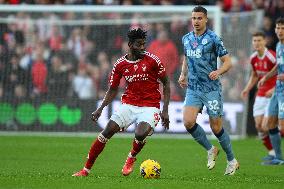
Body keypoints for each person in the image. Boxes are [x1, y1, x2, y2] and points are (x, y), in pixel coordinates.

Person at [72, 28, 170, 177]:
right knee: (106, 132)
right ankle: (85, 170)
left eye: (144, 44)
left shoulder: (153, 61)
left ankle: (131, 157)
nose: (142, 47)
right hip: (129, 104)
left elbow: (166, 83)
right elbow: (112, 90)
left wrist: (165, 110)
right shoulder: (120, 64)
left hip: (150, 105)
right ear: (130, 44)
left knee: (140, 133)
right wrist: (100, 108)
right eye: (139, 44)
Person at [178, 6, 239, 175]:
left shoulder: (213, 38)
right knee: (188, 122)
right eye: (193, 18)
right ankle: (211, 149)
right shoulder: (186, 38)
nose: (196, 21)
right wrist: (183, 74)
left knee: (216, 127)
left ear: (206, 19)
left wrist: (218, 71)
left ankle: (232, 160)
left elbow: (228, 62)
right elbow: (186, 57)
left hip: (211, 88)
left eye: (199, 18)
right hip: (194, 88)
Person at [240, 31, 276, 161]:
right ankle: (272, 152)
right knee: (259, 126)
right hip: (260, 94)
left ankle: (276, 151)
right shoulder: (253, 58)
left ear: (265, 42)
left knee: (267, 126)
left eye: (259, 40)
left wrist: (274, 88)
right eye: (254, 41)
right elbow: (255, 76)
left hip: (273, 94)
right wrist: (246, 89)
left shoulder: (272, 56)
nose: (257, 43)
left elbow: (281, 73)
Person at [258, 17, 284, 165]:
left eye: (283, 28)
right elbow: (278, 67)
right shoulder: (279, 46)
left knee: (282, 126)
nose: (280, 31)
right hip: (278, 90)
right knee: (271, 124)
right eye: (278, 28)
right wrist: (267, 76)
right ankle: (279, 158)